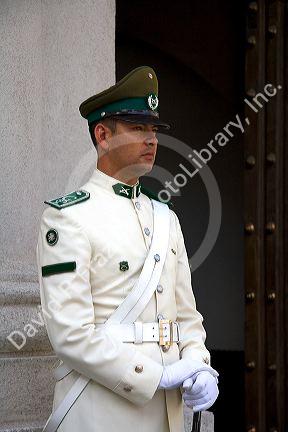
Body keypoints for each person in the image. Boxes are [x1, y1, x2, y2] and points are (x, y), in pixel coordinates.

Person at [36, 66, 219, 432]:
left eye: (154, 130)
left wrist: (199, 365)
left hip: (167, 415)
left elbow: (187, 317)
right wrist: (157, 376)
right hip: (102, 410)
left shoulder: (166, 219)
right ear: (103, 135)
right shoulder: (67, 218)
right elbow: (70, 335)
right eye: (138, 128)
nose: (151, 139)